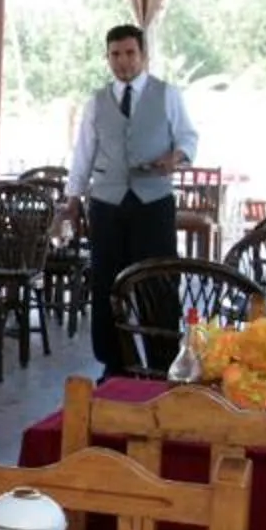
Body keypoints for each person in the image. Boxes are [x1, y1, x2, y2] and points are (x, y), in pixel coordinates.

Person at [67, 23, 198, 370]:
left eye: (129, 53)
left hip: (153, 202)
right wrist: (73, 199)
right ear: (107, 57)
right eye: (115, 54)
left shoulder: (167, 94)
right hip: (107, 204)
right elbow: (83, 153)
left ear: (143, 55)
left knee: (158, 283)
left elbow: (188, 137)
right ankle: (114, 363)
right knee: (106, 283)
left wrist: (176, 157)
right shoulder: (96, 102)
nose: (122, 61)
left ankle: (163, 362)